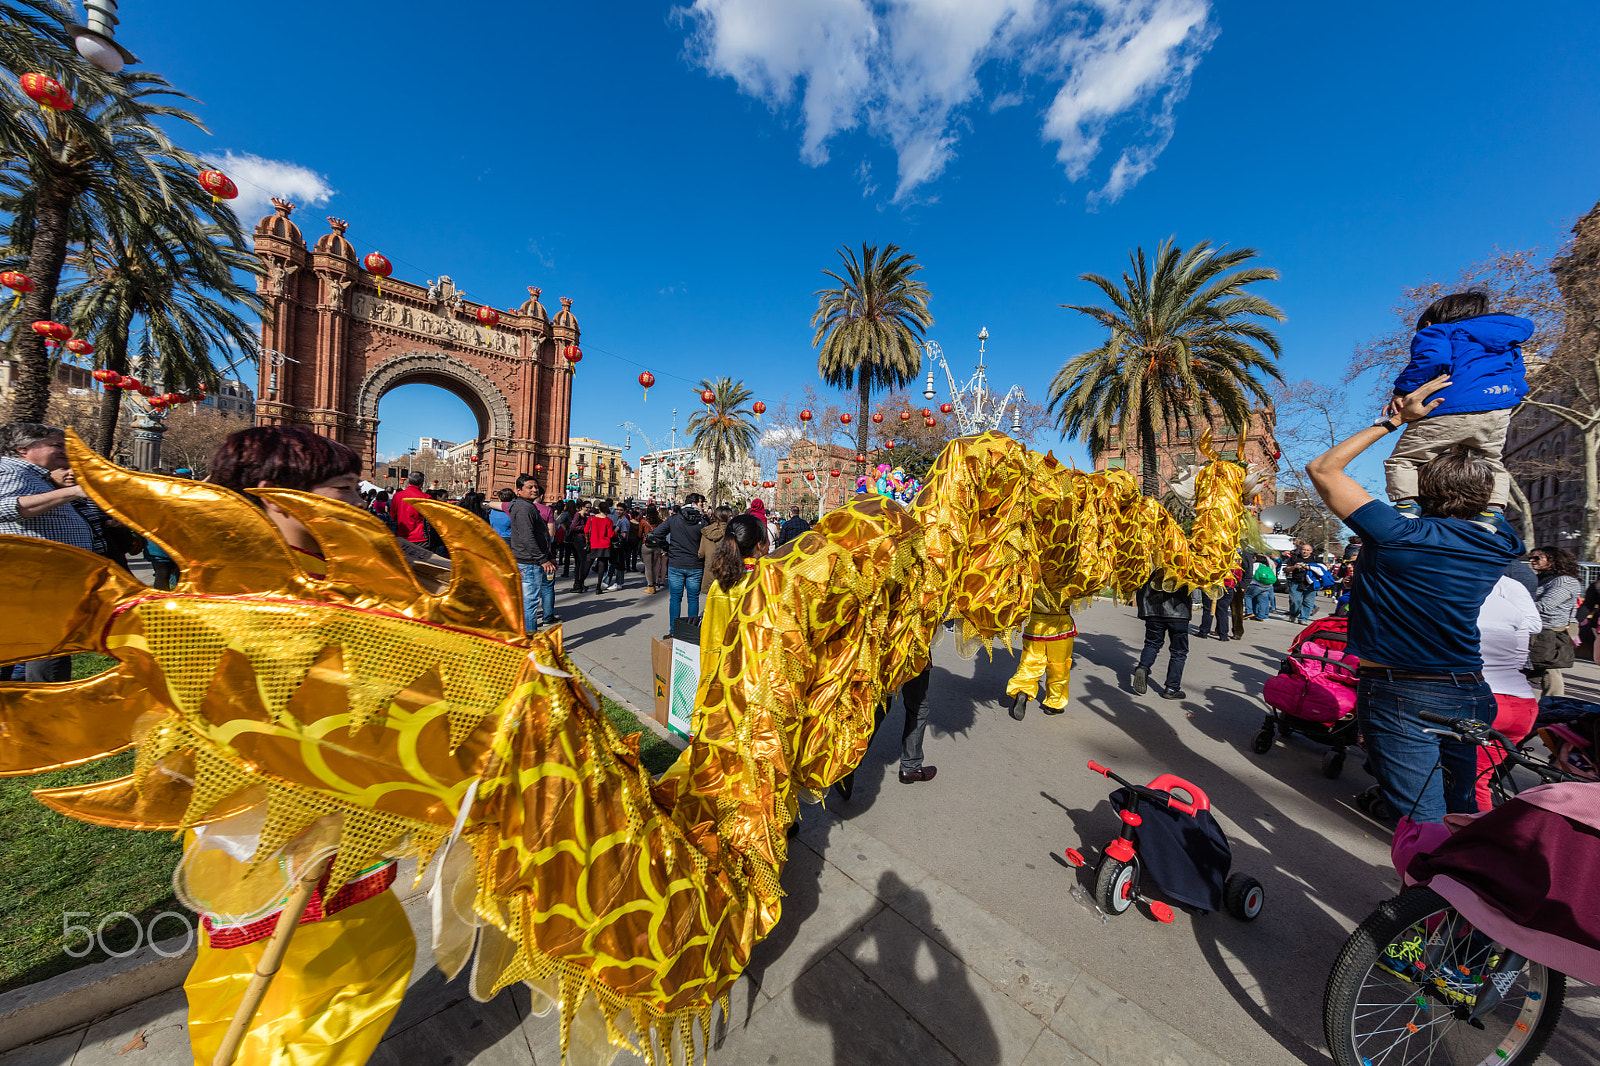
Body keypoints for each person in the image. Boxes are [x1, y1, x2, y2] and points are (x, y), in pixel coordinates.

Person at [1305, 378, 1521, 824]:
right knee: (1460, 810)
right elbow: (1491, 491)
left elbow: (1324, 469)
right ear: (1488, 500)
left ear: (1421, 493)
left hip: (1400, 689)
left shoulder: (1396, 534)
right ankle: (1457, 890)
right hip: (1470, 690)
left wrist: (1395, 420)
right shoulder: (1501, 542)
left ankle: (1426, 891)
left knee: (1421, 819)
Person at [1383, 291, 1532, 517]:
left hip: (1447, 409)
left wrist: (1402, 390)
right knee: (1492, 462)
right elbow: (1518, 380)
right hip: (1496, 411)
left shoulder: (1438, 331)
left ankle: (1407, 504)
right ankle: (1494, 511)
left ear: (1429, 322)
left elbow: (1431, 359)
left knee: (1404, 459)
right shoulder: (1508, 343)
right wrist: (1505, 400)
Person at [0, 422, 95, 682]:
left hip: (45, 581)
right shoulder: (9, 469)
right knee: (48, 652)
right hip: (34, 583)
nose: (64, 450)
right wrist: (74, 491)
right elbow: (5, 507)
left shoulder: (37, 476)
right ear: (23, 448)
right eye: (56, 445)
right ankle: (46, 710)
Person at [1473, 571, 1543, 810]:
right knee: (1478, 779)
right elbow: (1520, 658)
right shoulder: (1510, 601)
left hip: (1485, 700)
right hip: (1522, 703)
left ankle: (1469, 839)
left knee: (1466, 780)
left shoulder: (1454, 592)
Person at [1528, 546, 1582, 698]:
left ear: (1553, 560)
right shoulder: (1540, 578)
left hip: (1554, 630)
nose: (1532, 560)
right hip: (1539, 628)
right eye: (1530, 557)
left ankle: (1553, 703)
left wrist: (1518, 609)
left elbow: (1546, 605)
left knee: (1550, 667)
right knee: (1542, 666)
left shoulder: (1565, 581)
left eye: (1537, 558)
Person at [652, 493, 708, 634]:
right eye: (701, 503)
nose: (703, 506)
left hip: (676, 564)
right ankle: (691, 631)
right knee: (693, 599)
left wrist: (667, 547)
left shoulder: (674, 519)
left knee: (675, 599)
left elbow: (657, 533)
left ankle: (674, 631)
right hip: (695, 565)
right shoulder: (702, 522)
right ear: (694, 503)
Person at [1131, 574, 1193, 700]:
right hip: (1178, 611)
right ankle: (1172, 688)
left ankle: (1143, 666)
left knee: (1152, 643)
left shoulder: (1153, 556)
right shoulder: (1186, 559)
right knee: (1179, 651)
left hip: (1153, 609)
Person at [508, 476, 557, 633]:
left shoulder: (526, 506)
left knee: (527, 601)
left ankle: (526, 635)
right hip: (529, 562)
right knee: (530, 603)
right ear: (519, 490)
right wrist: (542, 559)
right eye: (530, 487)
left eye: (536, 487)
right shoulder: (524, 508)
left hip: (529, 560)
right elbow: (527, 536)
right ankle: (530, 639)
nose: (534, 490)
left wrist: (548, 556)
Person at [1282, 543, 1323, 626]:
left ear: (1311, 551)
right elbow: (1286, 569)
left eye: (1308, 550)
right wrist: (1294, 567)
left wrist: (1310, 568)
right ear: (1300, 550)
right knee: (1294, 600)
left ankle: (1303, 618)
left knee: (1308, 602)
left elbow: (1323, 569)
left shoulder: (1316, 559)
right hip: (1296, 582)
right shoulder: (1294, 558)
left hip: (1311, 583)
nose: (1305, 552)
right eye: (1304, 550)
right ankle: (1293, 614)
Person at [584, 500, 618, 592]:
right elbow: (610, 535)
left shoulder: (591, 518)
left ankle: (581, 583)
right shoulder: (609, 521)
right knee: (602, 565)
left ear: (599, 509)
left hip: (593, 543)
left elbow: (586, 530)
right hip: (604, 545)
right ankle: (598, 586)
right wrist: (616, 531)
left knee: (588, 563)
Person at [698, 505, 732, 591]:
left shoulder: (706, 532)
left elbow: (701, 554)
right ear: (727, 517)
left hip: (710, 571)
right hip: (726, 573)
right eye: (731, 516)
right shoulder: (730, 532)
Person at [390, 471, 429, 545]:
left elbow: (393, 516)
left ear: (408, 481)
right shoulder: (426, 497)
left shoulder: (397, 496)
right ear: (422, 483)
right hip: (420, 536)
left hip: (402, 535)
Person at [639, 505, 663, 594]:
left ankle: (650, 586)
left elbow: (639, 534)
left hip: (646, 544)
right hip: (657, 545)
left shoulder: (643, 521)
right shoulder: (660, 522)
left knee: (648, 566)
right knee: (655, 565)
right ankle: (654, 583)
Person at [1247, 552, 1278, 621]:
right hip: (1267, 586)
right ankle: (1261, 616)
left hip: (1256, 585)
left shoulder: (1256, 565)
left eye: (1254, 558)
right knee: (1262, 601)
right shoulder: (1266, 566)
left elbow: (1252, 573)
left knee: (1248, 596)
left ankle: (1249, 612)